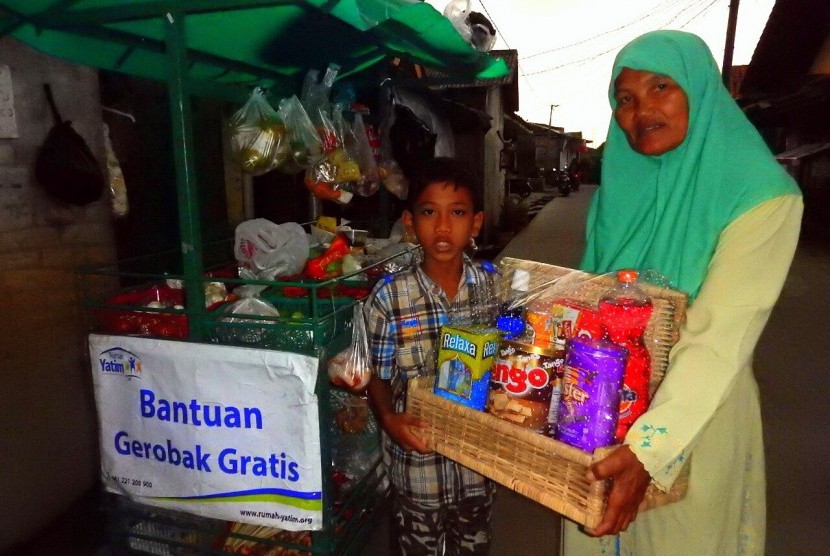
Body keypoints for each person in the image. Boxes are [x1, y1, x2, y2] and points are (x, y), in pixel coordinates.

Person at [566, 30, 803, 555]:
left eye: (661, 87)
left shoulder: (762, 197)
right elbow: (585, 300)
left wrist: (650, 450)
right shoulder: (621, 188)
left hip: (695, 419)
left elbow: (720, 338)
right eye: (624, 99)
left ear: (698, 89)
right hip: (597, 406)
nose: (641, 109)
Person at [363, 157, 495, 555]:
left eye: (457, 213)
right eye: (428, 212)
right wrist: (389, 419)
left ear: (475, 223)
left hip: (478, 467)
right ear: (409, 222)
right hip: (417, 471)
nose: (442, 227)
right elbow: (378, 375)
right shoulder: (390, 298)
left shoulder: (493, 289)